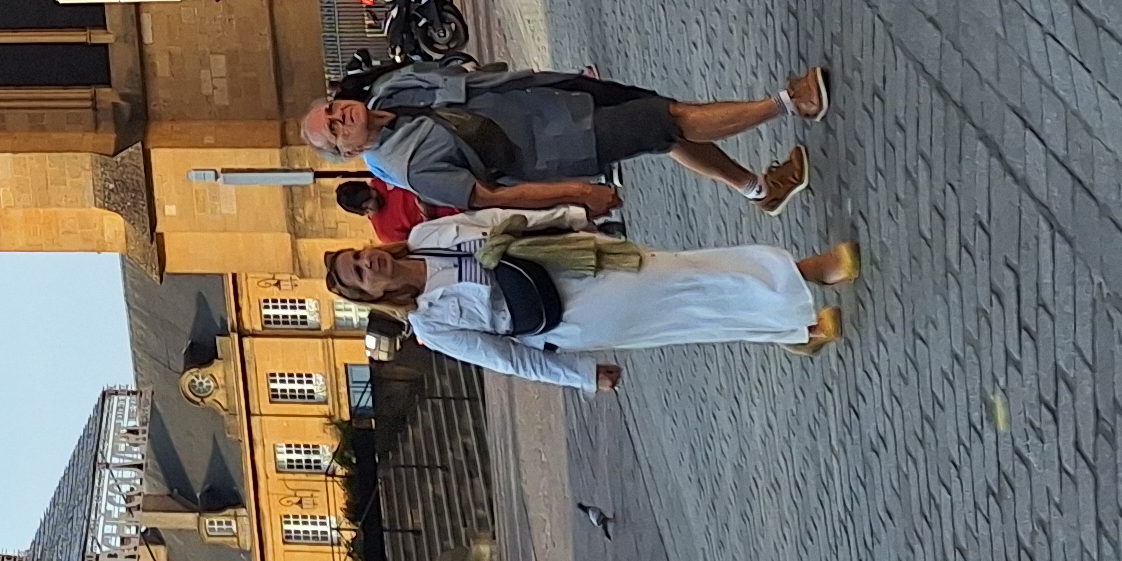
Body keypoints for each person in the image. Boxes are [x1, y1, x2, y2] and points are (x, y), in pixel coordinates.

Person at [328, 209, 858, 387]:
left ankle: (798, 310)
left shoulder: (427, 237)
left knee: (680, 271)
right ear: (372, 295)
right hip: (568, 318)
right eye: (359, 275)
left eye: (359, 254)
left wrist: (573, 214)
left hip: (572, 258)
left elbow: (497, 223)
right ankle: (805, 291)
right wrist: (581, 376)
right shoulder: (430, 325)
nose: (367, 263)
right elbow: (505, 358)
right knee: (683, 306)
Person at [296, 59, 830, 214]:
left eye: (332, 108)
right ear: (345, 152)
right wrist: (577, 193)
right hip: (561, 145)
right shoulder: (410, 169)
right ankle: (790, 102)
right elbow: (491, 197)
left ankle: (759, 190)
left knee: (662, 130)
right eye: (334, 129)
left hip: (554, 93)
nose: (340, 115)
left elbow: (469, 75)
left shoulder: (390, 88)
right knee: (671, 120)